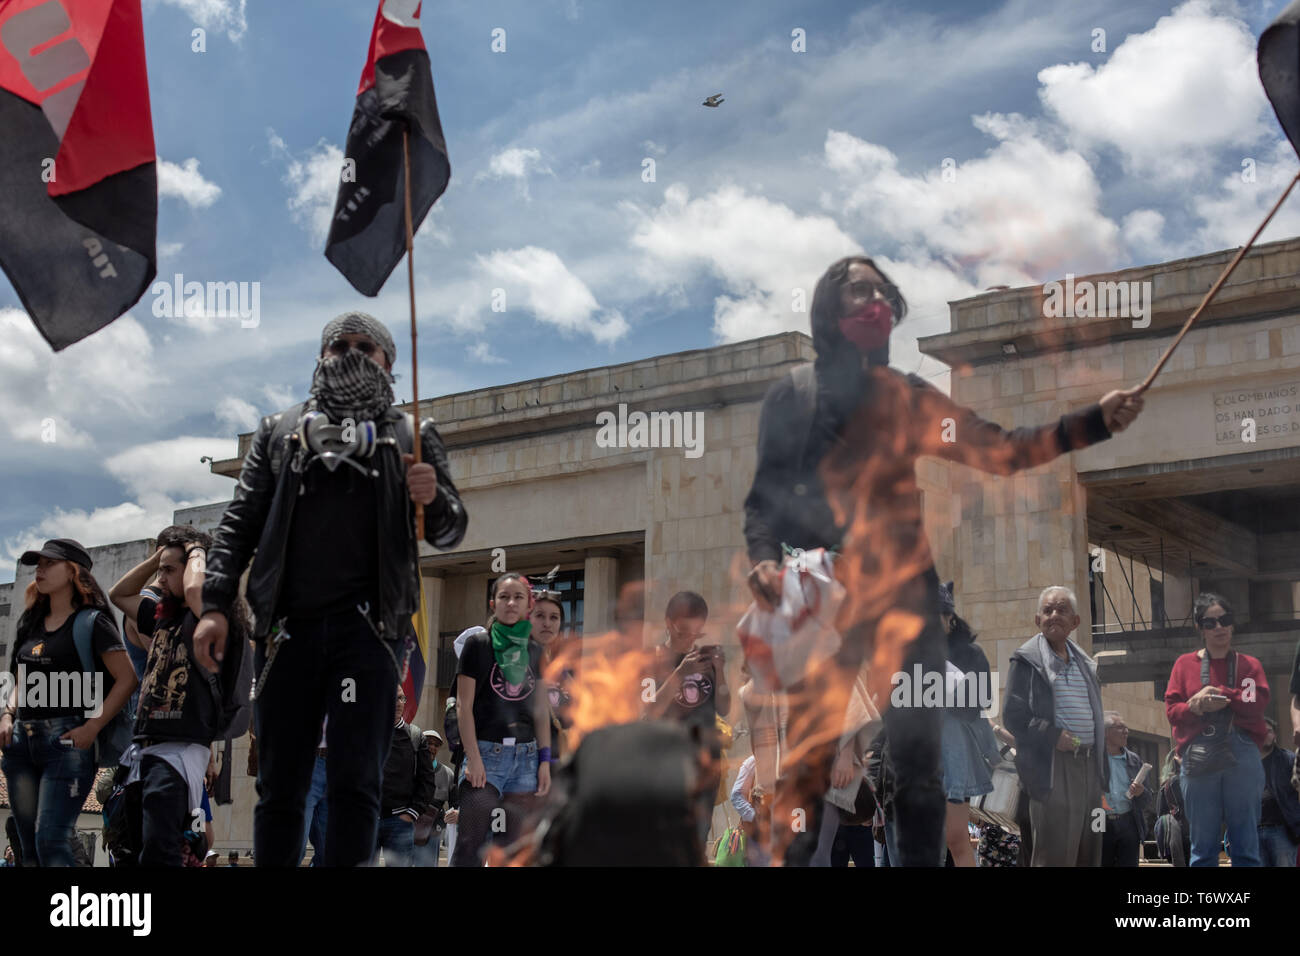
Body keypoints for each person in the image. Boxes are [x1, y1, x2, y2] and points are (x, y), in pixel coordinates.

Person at [742, 257, 1143, 866]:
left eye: (882, 291)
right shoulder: (791, 399)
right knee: (807, 764)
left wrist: (1088, 424)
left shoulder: (906, 396)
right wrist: (765, 562)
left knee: (918, 769)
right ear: (829, 307)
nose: (874, 299)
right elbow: (762, 502)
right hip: (820, 606)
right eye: (859, 289)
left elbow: (1001, 451)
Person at [198, 312, 468, 867]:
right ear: (319, 357)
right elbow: (239, 522)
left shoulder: (412, 433)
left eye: (363, 345)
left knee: (355, 783)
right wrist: (215, 605)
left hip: (369, 633)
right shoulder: (279, 430)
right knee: (282, 783)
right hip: (286, 629)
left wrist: (432, 496)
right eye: (337, 344)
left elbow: (450, 529)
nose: (348, 352)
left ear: (387, 363)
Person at [1, 539, 136, 867]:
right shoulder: (30, 622)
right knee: (26, 842)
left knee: (51, 837)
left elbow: (128, 678)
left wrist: (93, 726)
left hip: (67, 740)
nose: (40, 570)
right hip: (21, 740)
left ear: (73, 572)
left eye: (50, 563)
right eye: (39, 564)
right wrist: (7, 714)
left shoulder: (92, 622)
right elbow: (21, 677)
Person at [109, 527, 234, 866]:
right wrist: (160, 557)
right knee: (136, 847)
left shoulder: (210, 614)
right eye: (159, 571)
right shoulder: (163, 617)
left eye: (168, 571)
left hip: (179, 749)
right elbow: (119, 594)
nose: (160, 579)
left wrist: (195, 549)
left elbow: (194, 590)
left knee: (162, 849)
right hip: (146, 748)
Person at [451, 573, 552, 866]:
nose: (511, 603)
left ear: (528, 605)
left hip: (526, 758)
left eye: (518, 597)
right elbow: (463, 705)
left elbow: (541, 711)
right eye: (504, 597)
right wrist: (472, 758)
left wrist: (544, 760)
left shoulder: (536, 652)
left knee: (513, 849)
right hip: (485, 754)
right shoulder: (477, 645)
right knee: (471, 844)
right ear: (493, 603)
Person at [1004, 586, 1107, 867]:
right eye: (1047, 610)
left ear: (1075, 622)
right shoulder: (1025, 660)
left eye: (1061, 610)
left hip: (1089, 769)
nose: (1053, 616)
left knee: (1089, 855)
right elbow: (1012, 715)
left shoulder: (1086, 664)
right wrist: (1052, 735)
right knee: (1054, 857)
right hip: (1053, 769)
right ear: (1038, 620)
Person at [1164, 592, 1269, 867]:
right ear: (1200, 628)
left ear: (1233, 624)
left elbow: (1255, 705)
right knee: (1203, 846)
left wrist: (1218, 694)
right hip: (1198, 754)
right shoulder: (1184, 664)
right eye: (1210, 623)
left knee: (1246, 842)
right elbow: (1172, 712)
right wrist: (1196, 706)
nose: (1219, 627)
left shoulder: (1249, 665)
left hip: (1242, 752)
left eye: (1225, 620)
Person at [647, 591, 730, 850]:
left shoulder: (703, 660)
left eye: (696, 632)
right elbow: (647, 712)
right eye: (683, 631)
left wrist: (721, 671)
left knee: (696, 841)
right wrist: (680, 673)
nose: (690, 638)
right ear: (668, 622)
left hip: (705, 763)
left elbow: (724, 708)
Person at [937, 585, 999, 867]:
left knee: (956, 838)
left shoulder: (971, 654)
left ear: (950, 618)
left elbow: (981, 700)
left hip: (953, 756)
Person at [373, 688, 437, 866]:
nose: (398, 703)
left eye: (401, 698)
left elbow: (427, 781)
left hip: (400, 822)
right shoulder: (367, 734)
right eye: (394, 698)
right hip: (368, 820)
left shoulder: (416, 736)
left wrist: (413, 812)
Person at [1100, 711, 1151, 867]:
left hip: (1129, 821)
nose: (1126, 731)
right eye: (1120, 727)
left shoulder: (1134, 760)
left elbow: (1148, 798)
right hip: (1099, 819)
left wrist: (1141, 792)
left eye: (1126, 728)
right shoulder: (1093, 758)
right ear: (1106, 732)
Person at [1258, 717, 1300, 866]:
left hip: (1282, 831)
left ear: (1275, 734)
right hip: (1253, 832)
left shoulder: (1288, 759)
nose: (1265, 734)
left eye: (1269, 731)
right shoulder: (1246, 763)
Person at [413, 729, 455, 867]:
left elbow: (454, 804)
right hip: (408, 825)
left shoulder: (448, 774)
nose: (432, 747)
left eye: (436, 745)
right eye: (428, 743)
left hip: (432, 830)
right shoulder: (409, 768)